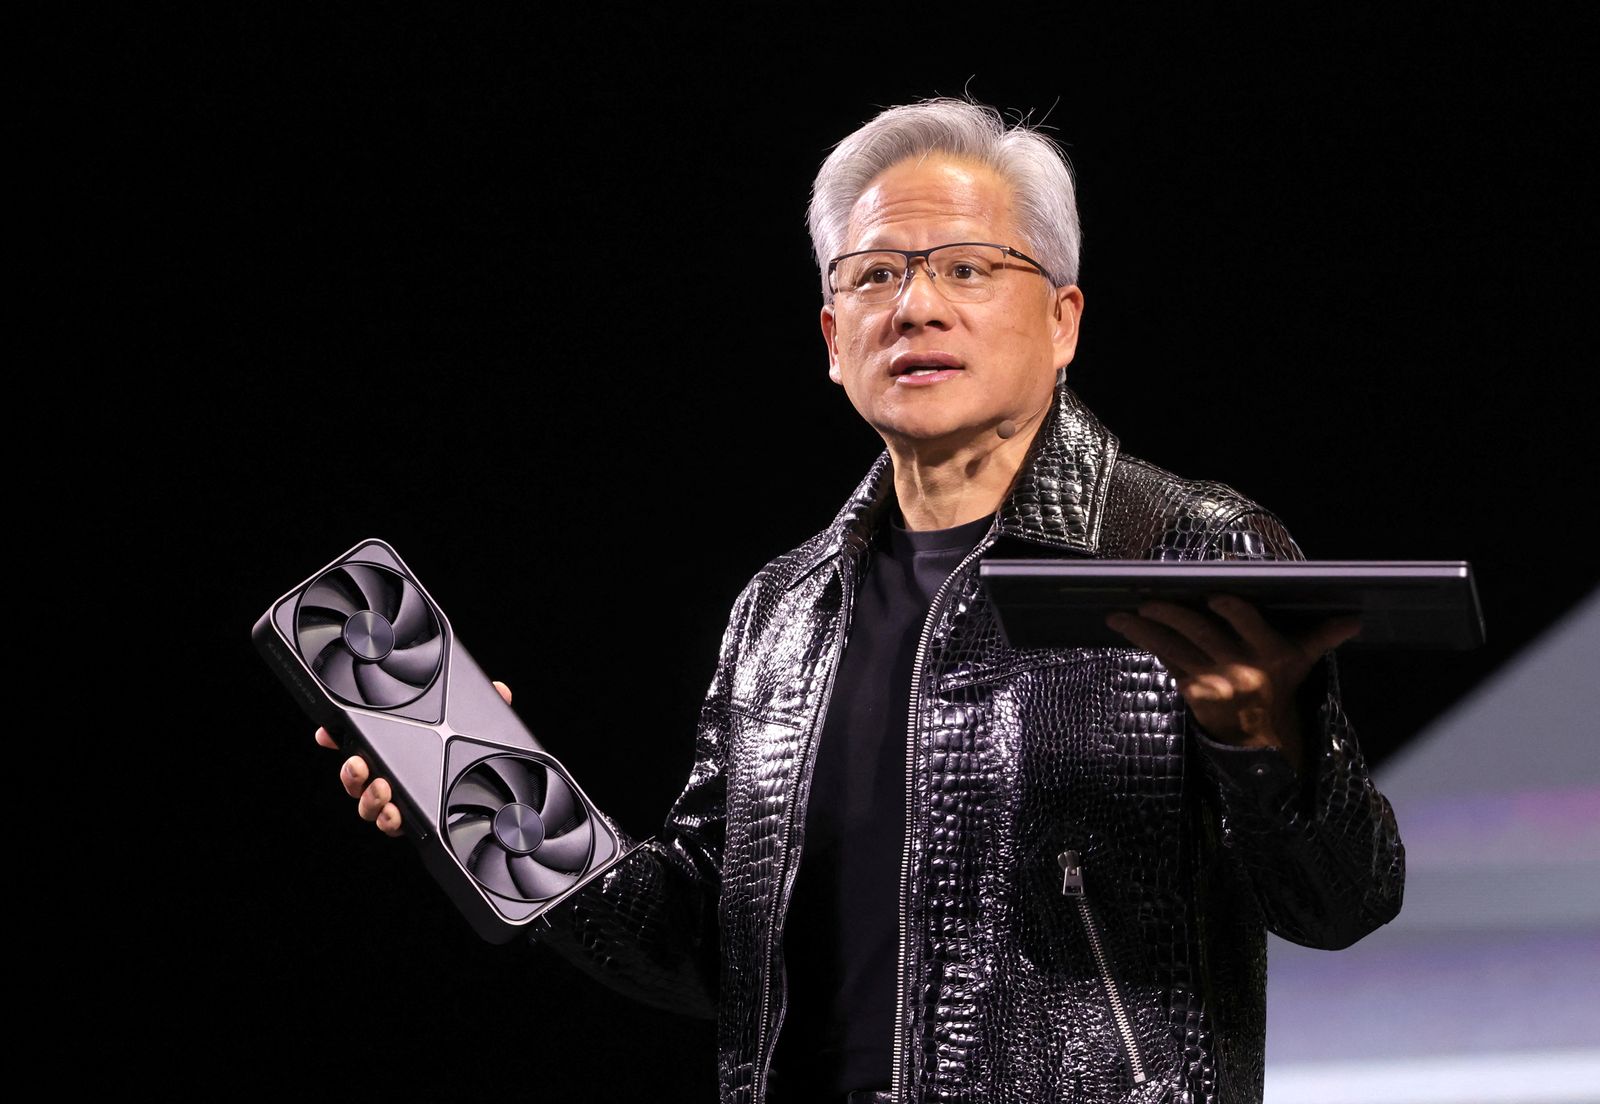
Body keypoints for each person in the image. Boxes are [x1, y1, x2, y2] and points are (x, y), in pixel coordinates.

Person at [317, 97, 1404, 1104]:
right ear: (834, 340)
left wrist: (1264, 744)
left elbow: (1342, 901)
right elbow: (707, 943)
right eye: (873, 276)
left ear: (1063, 319)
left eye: (968, 269)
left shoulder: (1188, 550)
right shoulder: (779, 611)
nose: (915, 305)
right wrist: (484, 810)